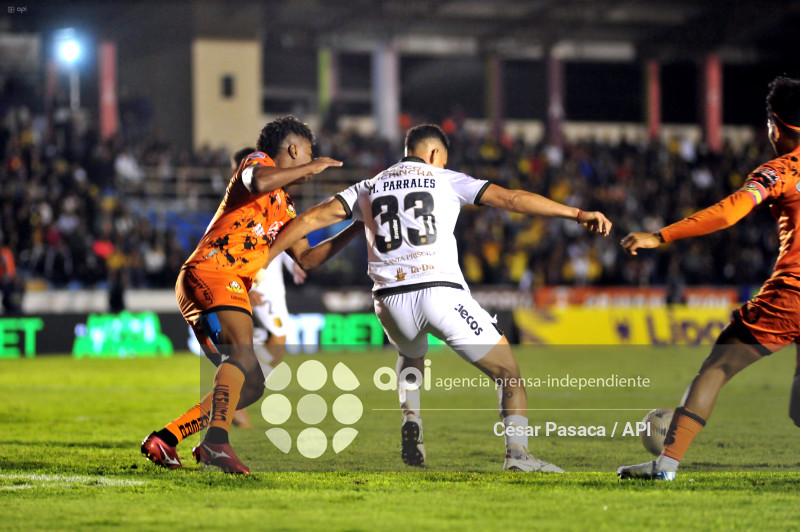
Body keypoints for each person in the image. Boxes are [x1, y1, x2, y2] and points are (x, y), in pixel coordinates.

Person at [267, 124, 612, 471]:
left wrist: (262, 259)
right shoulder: (444, 179)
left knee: (410, 352)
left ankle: (411, 418)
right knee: (509, 373)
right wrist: (577, 214)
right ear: (434, 155)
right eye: (442, 160)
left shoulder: (368, 186)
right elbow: (512, 199)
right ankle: (518, 456)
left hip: (387, 301)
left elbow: (309, 220)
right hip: (439, 292)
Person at [140, 116, 351, 474]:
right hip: (211, 271)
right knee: (242, 353)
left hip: (220, 281)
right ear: (294, 149)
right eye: (309, 154)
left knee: (251, 385)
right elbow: (258, 182)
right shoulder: (258, 163)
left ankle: (167, 438)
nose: (311, 161)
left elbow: (307, 258)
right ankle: (216, 445)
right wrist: (315, 167)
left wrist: (355, 227)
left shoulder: (285, 206)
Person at [617, 76, 800, 480]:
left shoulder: (781, 170)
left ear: (775, 125)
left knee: (716, 367)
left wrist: (660, 235)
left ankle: (665, 466)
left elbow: (729, 212)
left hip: (793, 295)